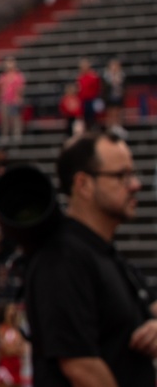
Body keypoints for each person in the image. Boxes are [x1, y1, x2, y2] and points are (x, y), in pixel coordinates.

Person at [24, 131, 157, 386]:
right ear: (83, 184)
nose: (135, 184)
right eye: (121, 176)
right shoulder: (62, 257)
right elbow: (82, 368)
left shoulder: (106, 253)